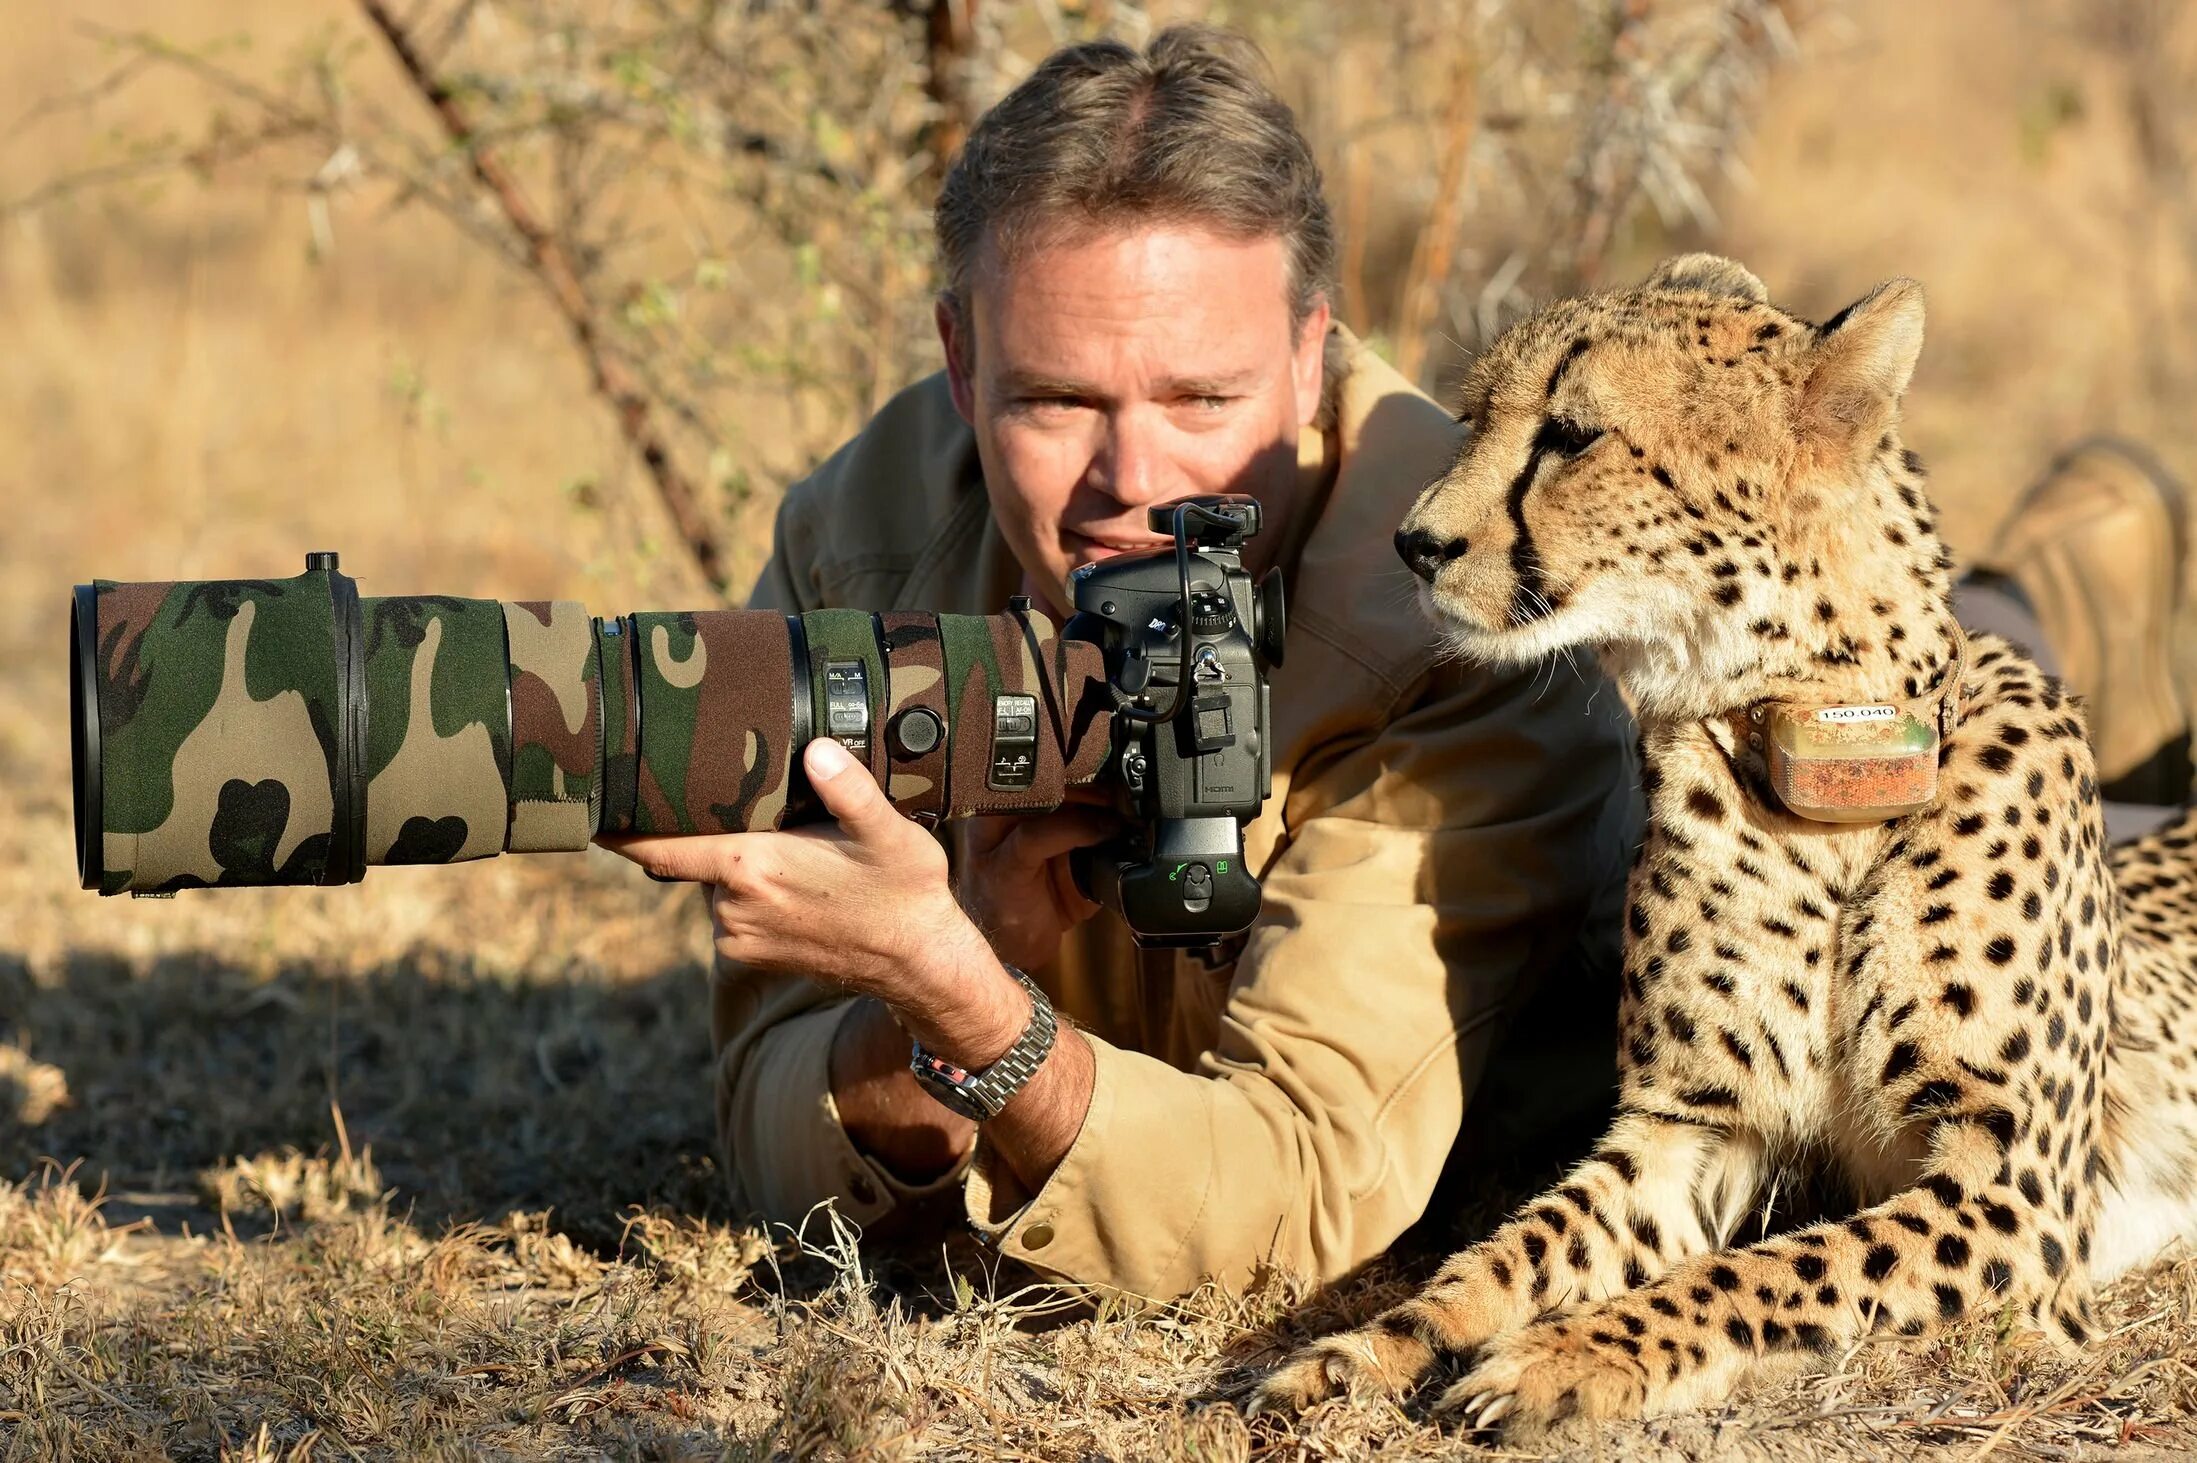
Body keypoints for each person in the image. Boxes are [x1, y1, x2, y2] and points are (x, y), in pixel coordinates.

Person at [602, 25, 1641, 1303]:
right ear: (961, 360)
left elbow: (1289, 1201)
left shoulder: (1455, 620)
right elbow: (771, 1108)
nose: (1131, 482)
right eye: (1055, 402)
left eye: (1202, 399)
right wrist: (959, 960)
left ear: (1310, 356)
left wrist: (957, 994)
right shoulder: (870, 530)